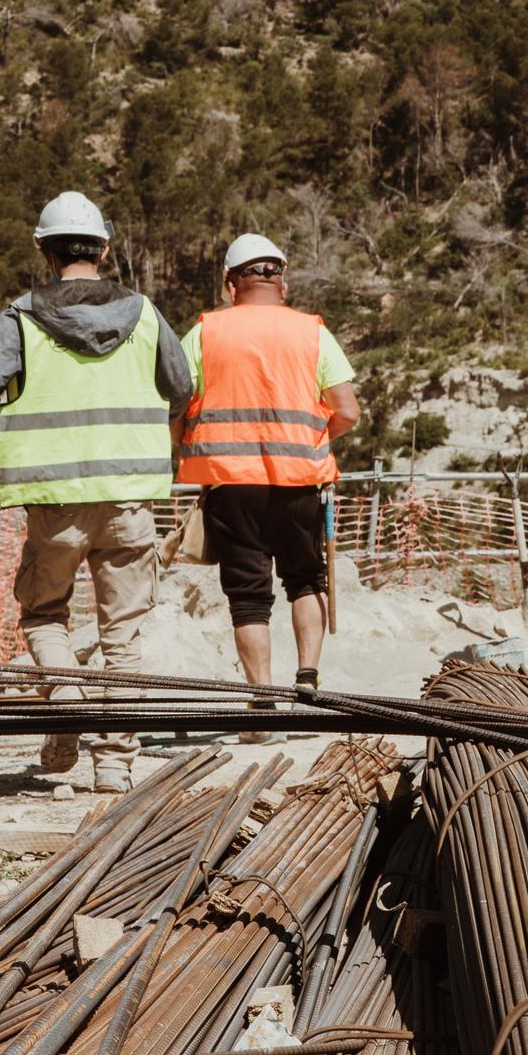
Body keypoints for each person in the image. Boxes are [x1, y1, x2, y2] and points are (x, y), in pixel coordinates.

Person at [0, 191, 193, 794]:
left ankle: (66, 700)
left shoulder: (20, 315)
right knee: (124, 637)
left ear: (44, 249)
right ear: (105, 248)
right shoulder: (144, 313)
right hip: (127, 498)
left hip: (54, 499)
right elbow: (181, 386)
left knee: (43, 615)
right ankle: (114, 761)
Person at [178, 234, 359, 735]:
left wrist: (186, 446)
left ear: (229, 282)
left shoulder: (204, 332)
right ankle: (307, 680)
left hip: (231, 486)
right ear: (282, 279)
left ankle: (260, 704)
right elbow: (347, 410)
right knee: (306, 579)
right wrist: (313, 439)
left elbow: (174, 404)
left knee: (248, 598)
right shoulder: (312, 333)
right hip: (300, 481)